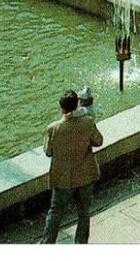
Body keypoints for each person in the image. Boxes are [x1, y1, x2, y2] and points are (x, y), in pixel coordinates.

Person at [40, 89, 104, 243]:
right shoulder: (87, 122)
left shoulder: (53, 128)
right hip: (84, 175)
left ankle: (47, 243)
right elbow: (99, 141)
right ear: (77, 105)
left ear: (62, 108)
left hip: (62, 178)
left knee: (55, 212)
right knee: (84, 212)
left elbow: (48, 152)